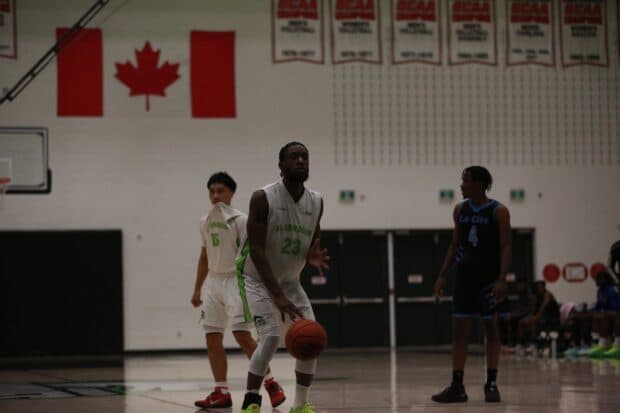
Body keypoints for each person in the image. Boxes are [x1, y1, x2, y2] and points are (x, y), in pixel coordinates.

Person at [237, 142, 329, 413]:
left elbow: (313, 238)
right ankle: (251, 400)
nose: (301, 160)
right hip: (256, 279)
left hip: (290, 282)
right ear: (281, 164)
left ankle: (300, 405)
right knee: (271, 337)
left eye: (305, 157)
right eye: (294, 157)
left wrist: (311, 256)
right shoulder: (262, 198)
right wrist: (276, 295)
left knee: (312, 338)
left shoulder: (316, 201)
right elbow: (256, 250)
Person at [191, 172, 285, 409]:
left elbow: (254, 255)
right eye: (212, 192)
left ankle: (271, 382)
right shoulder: (205, 221)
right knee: (212, 337)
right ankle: (221, 391)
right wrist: (197, 289)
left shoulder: (242, 220)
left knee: (242, 335)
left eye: (220, 191)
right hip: (213, 282)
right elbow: (204, 256)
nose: (215, 196)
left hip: (236, 281)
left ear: (232, 193)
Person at [432, 166, 512, 403]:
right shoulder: (460, 210)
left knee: (491, 330)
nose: (461, 185)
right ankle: (457, 386)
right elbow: (455, 244)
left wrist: (502, 278)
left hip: (488, 280)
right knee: (459, 332)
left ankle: (492, 383)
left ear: (478, 183)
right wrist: (442, 275)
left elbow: (506, 246)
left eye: (465, 181)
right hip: (464, 278)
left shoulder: (499, 211)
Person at [517, 281, 560, 355]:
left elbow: (542, 308)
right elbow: (533, 310)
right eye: (537, 287)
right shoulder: (536, 296)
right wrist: (529, 317)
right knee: (521, 322)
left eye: (540, 287)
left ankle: (534, 344)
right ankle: (521, 344)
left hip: (552, 317)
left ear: (544, 287)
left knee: (534, 322)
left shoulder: (548, 295)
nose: (539, 289)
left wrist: (535, 318)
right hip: (542, 316)